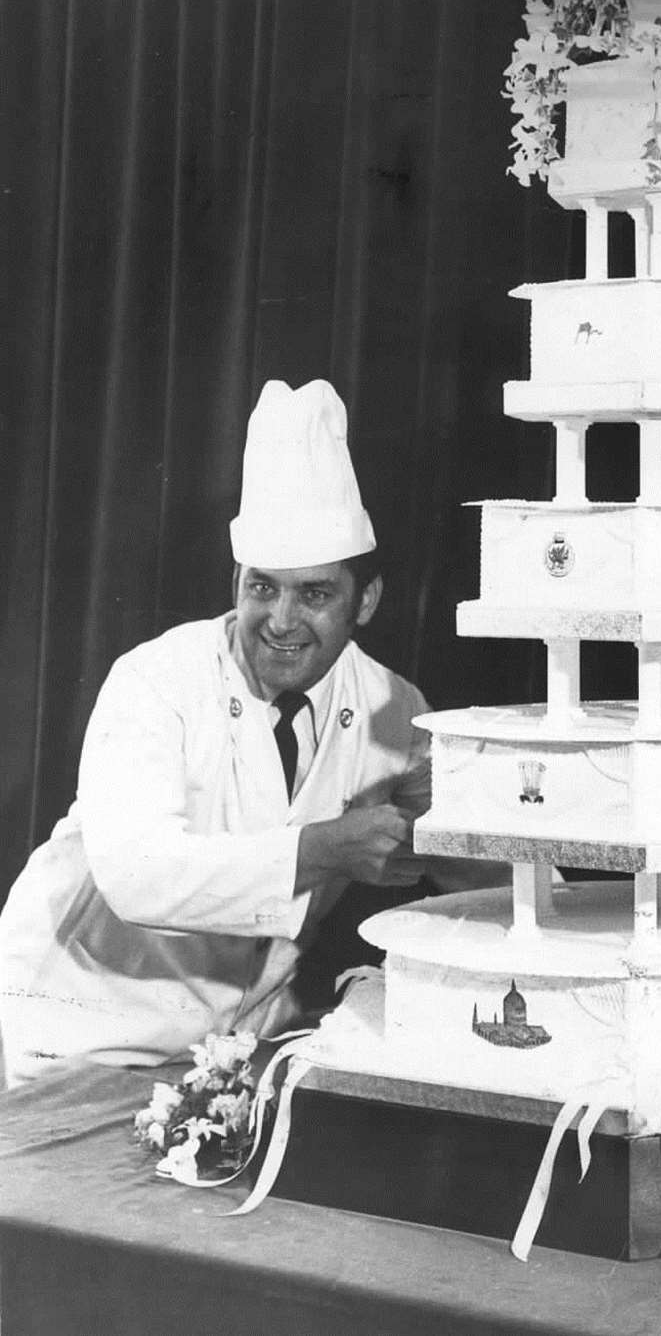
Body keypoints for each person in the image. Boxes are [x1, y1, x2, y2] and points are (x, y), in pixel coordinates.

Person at [0, 379, 486, 1087]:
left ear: (367, 600)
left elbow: (480, 858)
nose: (282, 621)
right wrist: (322, 851)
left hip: (227, 1049)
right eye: (263, 587)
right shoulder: (156, 680)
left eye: (315, 594)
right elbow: (139, 877)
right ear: (236, 581)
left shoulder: (394, 709)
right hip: (71, 1032)